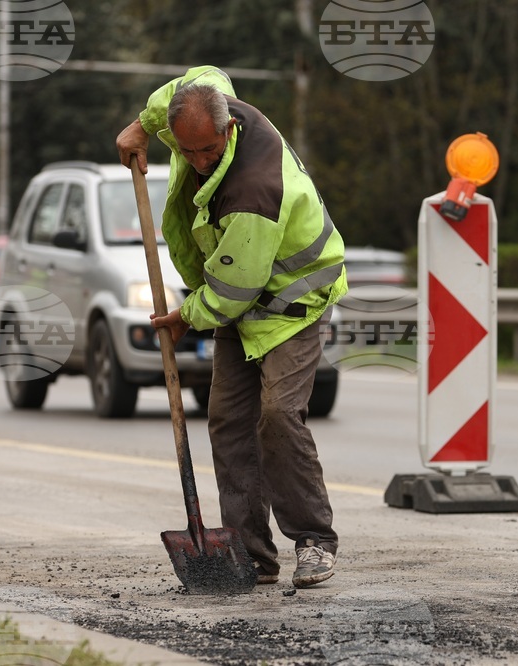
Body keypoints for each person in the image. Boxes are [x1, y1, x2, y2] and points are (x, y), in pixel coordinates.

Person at [116, 65, 347, 588]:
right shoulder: (209, 102)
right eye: (186, 150)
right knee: (227, 419)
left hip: (293, 301)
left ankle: (314, 541)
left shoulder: (254, 190)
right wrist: (141, 124)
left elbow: (234, 290)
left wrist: (184, 318)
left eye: (207, 152)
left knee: (278, 414)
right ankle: (250, 552)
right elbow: (196, 77)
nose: (197, 162)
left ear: (228, 130)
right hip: (235, 300)